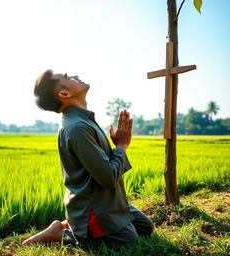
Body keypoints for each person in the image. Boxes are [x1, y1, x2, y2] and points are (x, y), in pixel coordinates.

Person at [22, 70, 154, 248]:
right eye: (68, 77)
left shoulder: (83, 120)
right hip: (94, 208)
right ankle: (63, 233)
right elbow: (107, 178)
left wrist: (116, 148)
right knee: (128, 241)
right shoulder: (77, 127)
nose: (75, 76)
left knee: (145, 227)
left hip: (108, 202)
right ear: (64, 94)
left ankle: (71, 224)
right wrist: (122, 147)